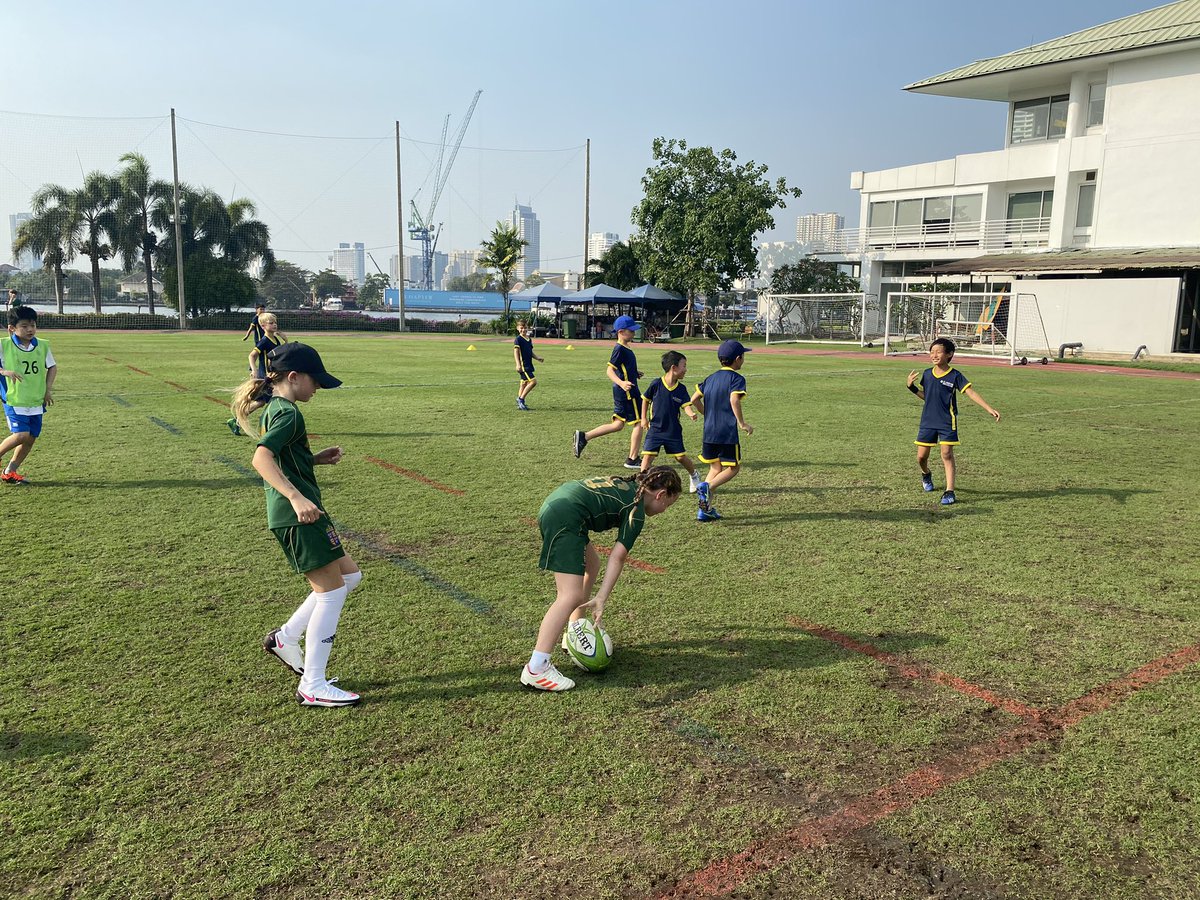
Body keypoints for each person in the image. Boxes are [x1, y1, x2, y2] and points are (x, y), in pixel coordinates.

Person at [231, 342, 362, 707]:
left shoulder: (277, 407)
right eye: (315, 381)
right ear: (293, 377)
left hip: (307, 512)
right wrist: (296, 497)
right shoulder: (288, 413)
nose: (318, 388)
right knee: (332, 593)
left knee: (350, 577)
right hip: (298, 516)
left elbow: (285, 456)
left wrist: (312, 459)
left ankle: (286, 638)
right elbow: (262, 459)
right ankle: (313, 684)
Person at [521, 467, 682, 691]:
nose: (665, 510)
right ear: (661, 495)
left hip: (558, 503)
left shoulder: (631, 487)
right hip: (566, 515)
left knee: (592, 564)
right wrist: (601, 598)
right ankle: (536, 668)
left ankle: (575, 627)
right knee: (570, 595)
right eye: (668, 504)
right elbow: (618, 557)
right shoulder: (636, 511)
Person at [906, 337, 1001, 505]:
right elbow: (927, 397)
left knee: (947, 454)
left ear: (949, 354)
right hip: (928, 421)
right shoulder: (927, 374)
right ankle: (926, 474)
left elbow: (970, 392)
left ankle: (949, 491)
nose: (934, 355)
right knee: (921, 457)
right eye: (932, 352)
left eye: (938, 352)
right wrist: (912, 388)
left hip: (947, 422)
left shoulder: (955, 375)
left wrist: (989, 408)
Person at [690, 339, 754, 522]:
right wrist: (742, 423)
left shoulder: (710, 378)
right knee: (733, 468)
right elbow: (734, 400)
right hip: (726, 432)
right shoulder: (737, 379)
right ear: (738, 358)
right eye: (743, 357)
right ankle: (707, 487)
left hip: (709, 431)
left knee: (716, 467)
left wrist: (707, 414)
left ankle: (705, 510)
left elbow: (694, 399)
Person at [571, 314, 645, 470]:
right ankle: (632, 459)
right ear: (621, 331)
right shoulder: (619, 349)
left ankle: (584, 436)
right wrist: (622, 382)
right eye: (630, 331)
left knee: (618, 424)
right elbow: (610, 370)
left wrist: (634, 372)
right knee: (639, 423)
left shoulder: (625, 347)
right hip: (627, 391)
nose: (633, 333)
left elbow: (621, 368)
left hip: (623, 389)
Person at [0, 306, 56, 485]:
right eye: (24, 326)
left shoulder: (42, 345)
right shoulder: (4, 345)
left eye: (32, 325)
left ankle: (10, 472)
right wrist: (4, 371)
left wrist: (47, 390)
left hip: (36, 400)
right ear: (12, 328)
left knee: (30, 438)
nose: (30, 329)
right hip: (14, 399)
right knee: (21, 435)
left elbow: (52, 367)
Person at [639, 349, 702, 493]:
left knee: (680, 457)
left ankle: (694, 475)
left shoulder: (681, 389)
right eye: (684, 366)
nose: (686, 369)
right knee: (648, 456)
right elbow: (645, 400)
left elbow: (686, 405)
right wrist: (643, 418)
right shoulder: (656, 384)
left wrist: (691, 413)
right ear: (674, 368)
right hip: (655, 428)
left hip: (673, 430)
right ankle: (642, 483)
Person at [513, 319, 544, 411]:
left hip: (529, 364)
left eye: (525, 328)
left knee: (524, 383)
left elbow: (530, 352)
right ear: (518, 329)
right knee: (533, 382)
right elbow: (516, 352)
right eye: (521, 328)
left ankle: (520, 403)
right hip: (523, 366)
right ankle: (521, 399)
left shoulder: (529, 339)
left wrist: (537, 358)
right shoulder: (518, 340)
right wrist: (518, 364)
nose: (523, 330)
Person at [248, 313, 286, 378]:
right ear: (263, 326)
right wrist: (254, 370)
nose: (274, 325)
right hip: (265, 375)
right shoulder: (264, 341)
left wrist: (285, 341)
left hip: (274, 374)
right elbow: (252, 356)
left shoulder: (276, 339)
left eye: (275, 323)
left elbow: (281, 353)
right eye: (271, 323)